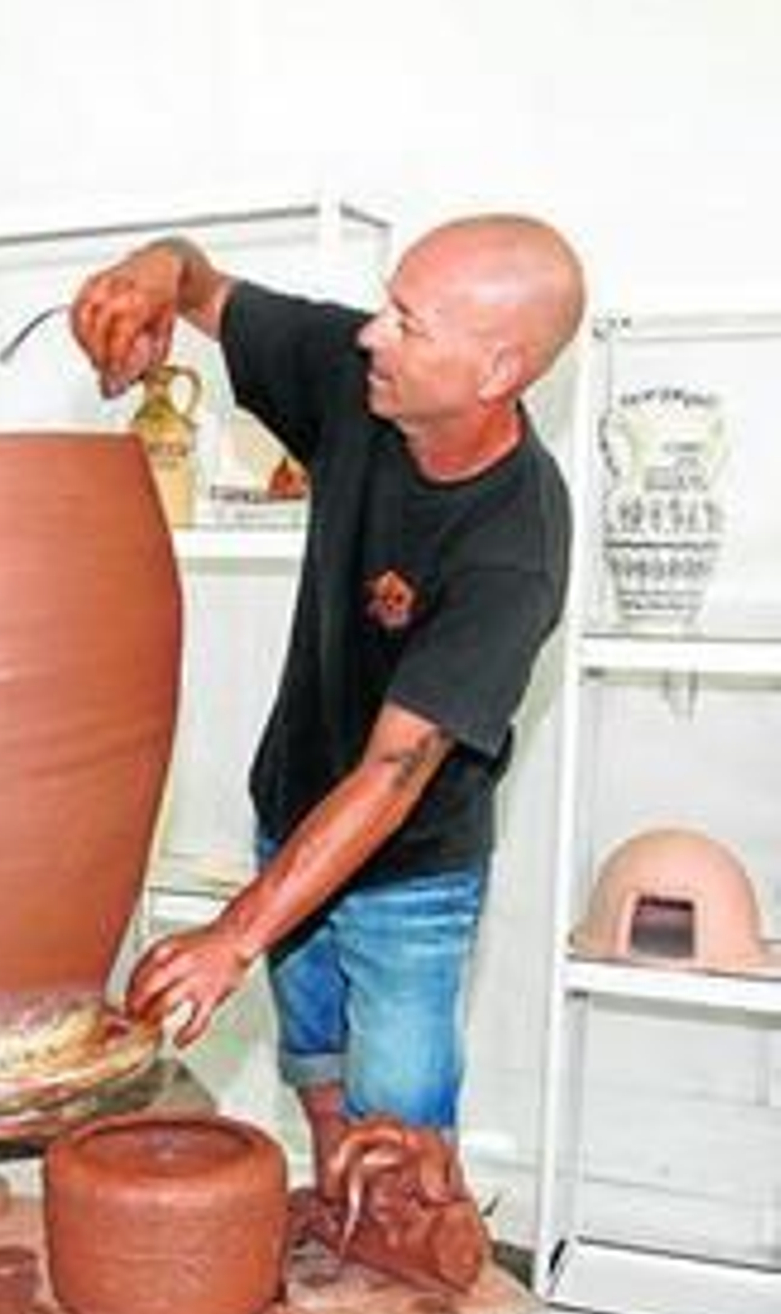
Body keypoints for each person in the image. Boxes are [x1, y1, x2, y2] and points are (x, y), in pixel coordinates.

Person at [70, 215, 585, 1184]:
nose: (370, 334)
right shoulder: (362, 385)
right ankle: (348, 1271)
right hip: (293, 812)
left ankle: (404, 1290)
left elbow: (395, 774)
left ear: (496, 371)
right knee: (319, 1083)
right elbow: (198, 280)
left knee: (396, 1144)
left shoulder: (514, 548)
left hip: (409, 871)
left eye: (409, 322)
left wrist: (233, 933)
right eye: (388, 303)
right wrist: (144, 280)